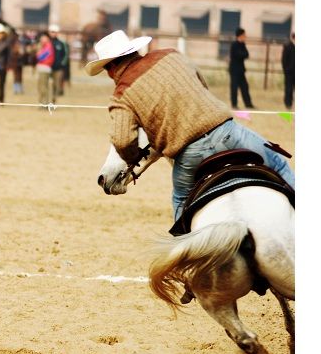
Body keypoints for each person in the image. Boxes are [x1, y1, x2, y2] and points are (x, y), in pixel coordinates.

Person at [85, 30, 294, 222]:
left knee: (181, 205)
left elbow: (122, 140)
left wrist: (132, 159)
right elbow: (201, 85)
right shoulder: (172, 55)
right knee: (279, 164)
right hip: (228, 132)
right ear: (134, 51)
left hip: (189, 154)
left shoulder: (121, 95)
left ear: (111, 67)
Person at [228, 27, 255, 109]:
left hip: (241, 70)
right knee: (234, 88)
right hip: (234, 70)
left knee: (245, 87)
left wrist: (242, 55)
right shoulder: (234, 45)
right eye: (244, 35)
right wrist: (242, 55)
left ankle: (248, 104)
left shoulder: (243, 44)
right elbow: (238, 55)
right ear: (240, 35)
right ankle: (234, 104)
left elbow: (246, 54)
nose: (245, 36)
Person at [49, 24, 69, 98]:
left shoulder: (61, 43)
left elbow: (66, 54)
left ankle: (53, 100)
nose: (53, 33)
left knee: (56, 84)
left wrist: (62, 63)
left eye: (55, 32)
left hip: (58, 68)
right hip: (48, 67)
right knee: (47, 84)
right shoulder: (47, 42)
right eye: (52, 32)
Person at [35, 32, 55, 106]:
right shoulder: (43, 46)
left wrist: (39, 52)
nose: (42, 39)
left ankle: (44, 103)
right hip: (41, 68)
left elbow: (41, 57)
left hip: (45, 68)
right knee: (41, 86)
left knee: (43, 87)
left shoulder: (48, 46)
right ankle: (42, 102)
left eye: (43, 37)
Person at [282, 32, 295, 109]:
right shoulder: (288, 46)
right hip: (289, 72)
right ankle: (288, 104)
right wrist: (286, 70)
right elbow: (284, 60)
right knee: (288, 88)